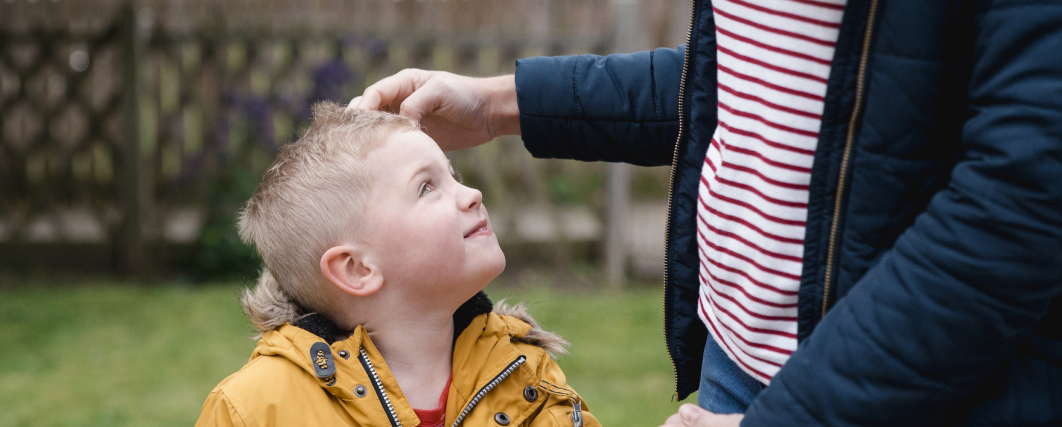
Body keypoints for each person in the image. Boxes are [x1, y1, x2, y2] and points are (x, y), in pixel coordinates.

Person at [349, 0, 1062, 425]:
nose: (468, 196)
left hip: (894, 397)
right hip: (729, 365)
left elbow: (1023, 201)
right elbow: (751, 84)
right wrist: (505, 102)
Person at [195, 102, 602, 427]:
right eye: (427, 187)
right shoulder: (255, 410)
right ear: (356, 269)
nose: (472, 194)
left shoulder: (524, 374)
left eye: (453, 174)